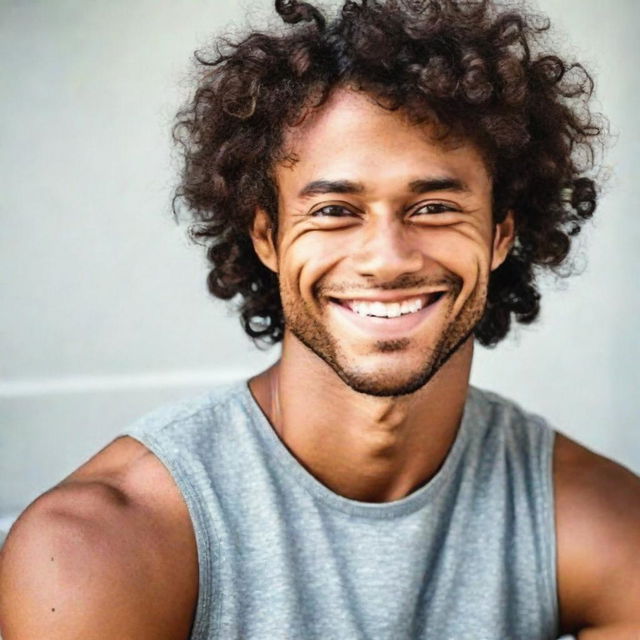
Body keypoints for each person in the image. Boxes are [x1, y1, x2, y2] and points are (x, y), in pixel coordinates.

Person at [1, 0, 639, 638]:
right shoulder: (93, 550)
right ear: (268, 238)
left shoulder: (603, 524)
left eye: (435, 206)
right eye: (335, 210)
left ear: (500, 235)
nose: (387, 259)